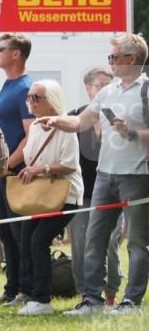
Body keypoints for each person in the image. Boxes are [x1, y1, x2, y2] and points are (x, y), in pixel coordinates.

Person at [37, 33, 149, 315]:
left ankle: (131, 302)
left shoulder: (146, 91)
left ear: (132, 59)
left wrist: (132, 132)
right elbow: (79, 121)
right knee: (93, 240)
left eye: (113, 57)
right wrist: (56, 120)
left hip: (137, 177)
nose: (109, 62)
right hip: (104, 176)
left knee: (136, 242)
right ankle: (92, 301)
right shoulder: (107, 92)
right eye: (109, 57)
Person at [14, 80, 83, 315]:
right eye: (29, 97)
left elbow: (70, 165)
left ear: (52, 101)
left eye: (37, 97)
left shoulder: (65, 127)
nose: (31, 102)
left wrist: (39, 169)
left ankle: (42, 299)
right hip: (40, 194)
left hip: (65, 196)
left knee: (38, 240)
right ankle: (34, 294)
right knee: (26, 240)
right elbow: (29, 159)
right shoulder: (33, 127)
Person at [67, 67, 124, 307]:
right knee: (81, 244)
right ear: (89, 90)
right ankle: (87, 295)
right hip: (82, 194)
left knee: (109, 242)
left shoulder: (120, 119)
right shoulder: (75, 117)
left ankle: (110, 291)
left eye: (109, 85)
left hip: (114, 192)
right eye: (100, 86)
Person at [0, 33, 35, 307]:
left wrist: (9, 164)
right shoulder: (7, 85)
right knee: (6, 233)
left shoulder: (25, 88)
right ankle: (12, 286)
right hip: (2, 174)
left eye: (1, 49)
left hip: (17, 172)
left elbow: (30, 134)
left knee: (20, 232)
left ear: (16, 54)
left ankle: (27, 288)